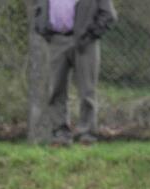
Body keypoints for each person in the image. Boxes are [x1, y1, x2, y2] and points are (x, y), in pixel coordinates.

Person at [34, 0, 117, 146]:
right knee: (56, 90)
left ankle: (87, 134)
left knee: (87, 91)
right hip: (56, 40)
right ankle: (60, 134)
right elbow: (40, 9)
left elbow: (108, 14)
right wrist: (42, 27)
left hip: (86, 43)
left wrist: (90, 35)